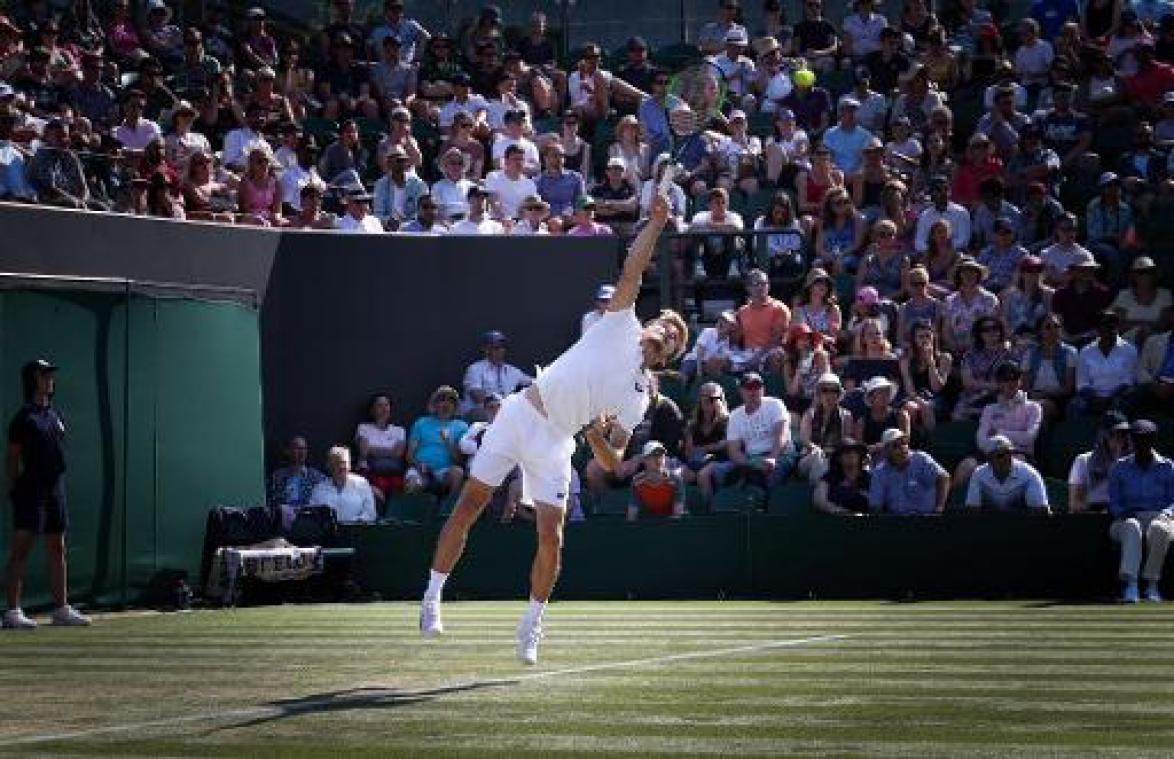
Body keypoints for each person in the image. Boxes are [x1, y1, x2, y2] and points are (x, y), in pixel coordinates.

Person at [418, 193, 687, 665]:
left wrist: (594, 434)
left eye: (674, 338)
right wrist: (656, 224)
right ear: (650, 324)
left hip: (558, 442)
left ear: (667, 357)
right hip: (522, 413)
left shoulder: (639, 396)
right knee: (471, 504)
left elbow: (613, 461)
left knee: (552, 537)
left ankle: (531, 626)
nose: (665, 333)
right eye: (665, 325)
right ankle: (433, 596)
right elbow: (633, 268)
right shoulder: (620, 321)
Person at [3, 359, 91, 628]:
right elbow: (12, 458)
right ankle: (12, 612)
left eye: (51, 375)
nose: (50, 380)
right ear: (33, 380)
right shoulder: (23, 419)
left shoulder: (54, 415)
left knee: (57, 547)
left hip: (56, 489)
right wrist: (17, 489)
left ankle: (61, 609)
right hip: (31, 489)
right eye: (44, 375)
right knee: (21, 550)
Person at [699, 372, 794, 501]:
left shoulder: (775, 404)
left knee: (762, 477)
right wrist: (750, 464)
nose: (753, 391)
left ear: (763, 389)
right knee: (711, 473)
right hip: (751, 458)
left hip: (780, 453)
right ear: (741, 391)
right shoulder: (735, 415)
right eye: (749, 387)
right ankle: (714, 509)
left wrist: (772, 458)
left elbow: (781, 435)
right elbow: (734, 451)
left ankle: (759, 505)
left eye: (757, 386)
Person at [1108, 420, 1174, 603]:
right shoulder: (1119, 467)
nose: (1139, 443)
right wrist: (1123, 512)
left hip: (1160, 517)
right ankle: (1132, 584)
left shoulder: (1168, 466)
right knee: (1132, 526)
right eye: (1135, 438)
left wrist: (1166, 514)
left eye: (1144, 439)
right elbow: (1114, 502)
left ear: (1152, 440)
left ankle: (1152, 584)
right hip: (1125, 520)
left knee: (1160, 528)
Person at [405, 385, 469, 497]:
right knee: (412, 484)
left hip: (445, 471)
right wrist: (419, 465)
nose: (446, 404)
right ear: (435, 404)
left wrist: (448, 442)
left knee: (458, 473)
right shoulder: (421, 423)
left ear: (455, 406)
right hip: (420, 468)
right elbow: (409, 456)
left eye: (451, 401)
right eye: (442, 399)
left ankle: (449, 506)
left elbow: (460, 460)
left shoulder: (462, 426)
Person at [1072, 310, 1139, 416]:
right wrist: (1094, 398)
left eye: (1112, 325)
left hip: (1119, 397)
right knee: (1074, 406)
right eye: (1105, 325)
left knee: (1124, 404)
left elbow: (1128, 381)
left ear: (1118, 327)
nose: (1109, 329)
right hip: (1092, 398)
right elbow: (1082, 383)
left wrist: (1111, 399)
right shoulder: (1086, 351)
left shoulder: (1130, 350)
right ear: (1097, 329)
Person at [868, 428, 950, 514]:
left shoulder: (921, 459)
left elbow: (943, 478)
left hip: (926, 517)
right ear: (886, 451)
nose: (902, 447)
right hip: (897, 520)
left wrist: (939, 508)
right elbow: (875, 506)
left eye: (904, 442)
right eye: (895, 445)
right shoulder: (879, 472)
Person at [963, 435, 1050, 511]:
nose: (1006, 459)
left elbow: (1041, 511)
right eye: (1000, 456)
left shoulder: (1030, 474)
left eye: (1009, 454)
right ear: (989, 459)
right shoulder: (978, 475)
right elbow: (972, 510)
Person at [1069, 411, 1132, 513]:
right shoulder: (1083, 461)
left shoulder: (1134, 462)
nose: (1122, 439)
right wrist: (1100, 509)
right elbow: (1075, 503)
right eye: (1115, 434)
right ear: (1104, 436)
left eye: (1125, 434)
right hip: (1093, 516)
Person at [461, 330, 533, 420]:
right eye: (495, 347)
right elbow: (477, 397)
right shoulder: (475, 369)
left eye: (502, 347)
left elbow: (533, 382)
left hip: (505, 410)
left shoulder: (513, 371)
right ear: (485, 349)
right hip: (480, 410)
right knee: (494, 413)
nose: (500, 350)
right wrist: (501, 403)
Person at [355, 393, 407, 500]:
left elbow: (398, 453)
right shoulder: (363, 428)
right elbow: (364, 452)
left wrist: (373, 449)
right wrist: (390, 451)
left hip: (393, 472)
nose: (384, 409)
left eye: (386, 405)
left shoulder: (399, 430)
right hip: (370, 472)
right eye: (379, 405)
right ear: (372, 410)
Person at [308, 446, 377, 525]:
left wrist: (354, 523)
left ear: (349, 465)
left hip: (356, 530)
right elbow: (312, 515)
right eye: (337, 463)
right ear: (329, 466)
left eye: (344, 463)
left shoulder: (362, 484)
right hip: (328, 531)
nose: (341, 467)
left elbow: (370, 513)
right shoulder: (319, 489)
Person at [627, 440, 687, 521]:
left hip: (672, 525)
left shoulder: (676, 480)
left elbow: (677, 515)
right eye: (654, 455)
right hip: (647, 523)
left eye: (661, 455)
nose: (658, 459)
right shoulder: (636, 481)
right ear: (645, 460)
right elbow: (632, 515)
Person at [267, 435, 327, 508]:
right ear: (288, 451)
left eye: (304, 449)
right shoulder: (277, 476)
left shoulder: (317, 477)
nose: (302, 452)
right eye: (298, 448)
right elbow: (271, 501)